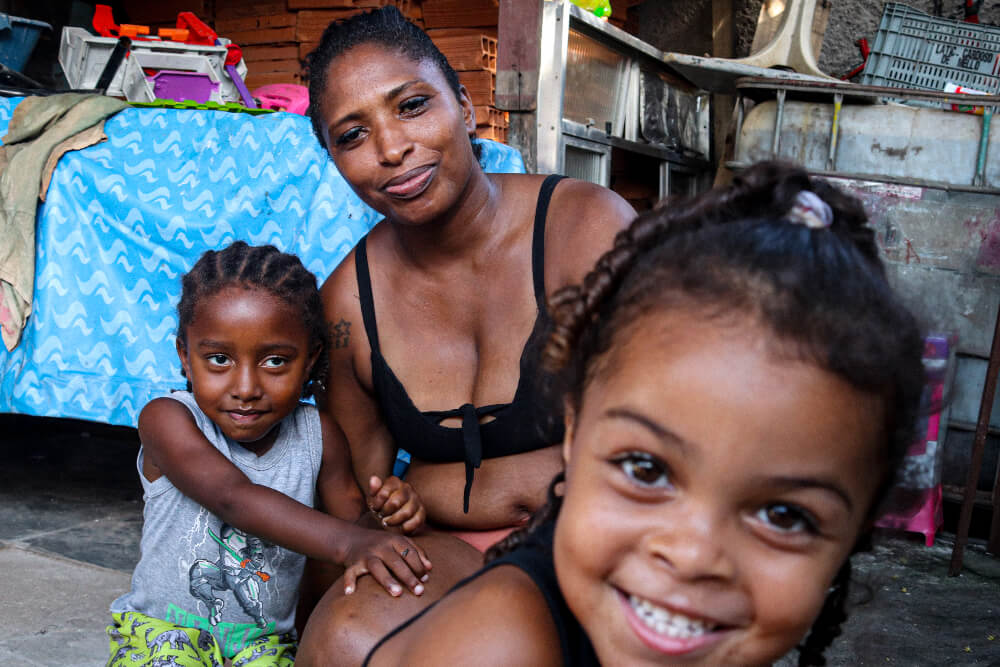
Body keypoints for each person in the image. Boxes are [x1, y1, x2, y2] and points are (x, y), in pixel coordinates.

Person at [362, 161, 928, 666]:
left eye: (783, 515)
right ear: (574, 431)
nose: (690, 556)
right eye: (646, 470)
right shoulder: (491, 649)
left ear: (855, 532)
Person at [296, 6, 636, 663]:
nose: (391, 148)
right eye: (352, 135)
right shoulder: (349, 301)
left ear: (463, 102)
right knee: (342, 640)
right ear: (334, 159)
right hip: (445, 545)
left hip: (585, 541)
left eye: (413, 105)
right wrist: (305, 630)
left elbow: (666, 447)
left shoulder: (584, 230)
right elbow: (349, 497)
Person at [106, 242, 431, 667]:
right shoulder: (167, 420)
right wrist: (353, 542)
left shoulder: (319, 435)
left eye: (275, 361)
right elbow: (232, 497)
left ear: (310, 359)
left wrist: (385, 522)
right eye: (219, 359)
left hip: (264, 645)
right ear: (185, 356)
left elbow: (353, 522)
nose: (246, 387)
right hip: (163, 634)